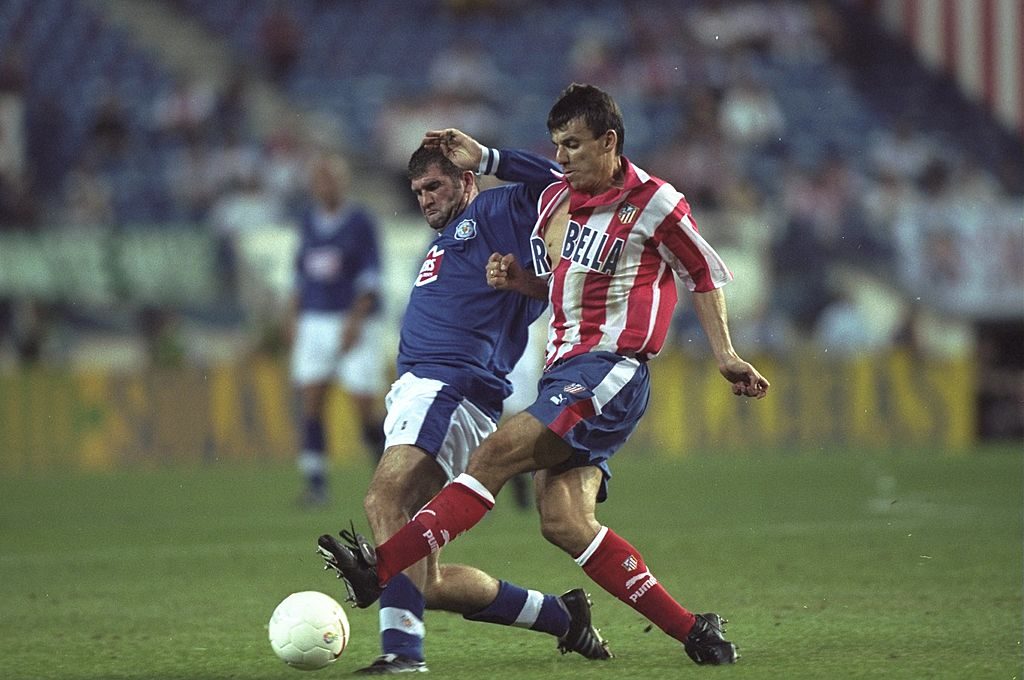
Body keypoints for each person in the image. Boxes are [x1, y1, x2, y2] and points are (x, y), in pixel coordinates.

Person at [317, 84, 770, 667]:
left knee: (484, 460)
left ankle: (386, 593)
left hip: (605, 366)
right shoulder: (560, 205)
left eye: (574, 145)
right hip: (561, 369)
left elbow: (703, 272)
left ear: (608, 142)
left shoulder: (650, 201)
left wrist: (487, 158)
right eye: (557, 146)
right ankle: (686, 630)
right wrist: (522, 283)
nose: (563, 157)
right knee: (563, 523)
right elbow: (564, 279)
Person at [320, 144, 611, 673]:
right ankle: (561, 616)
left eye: (435, 186)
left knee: (385, 499)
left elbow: (562, 182)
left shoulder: (496, 212)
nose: (426, 200)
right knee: (424, 580)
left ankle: (401, 653)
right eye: (418, 192)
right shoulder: (450, 237)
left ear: (467, 179)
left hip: (447, 385)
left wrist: (489, 154)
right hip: (430, 390)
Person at [289, 152, 386, 506]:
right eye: (319, 180)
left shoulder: (360, 221)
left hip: (352, 319)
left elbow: (372, 277)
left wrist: (355, 319)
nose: (325, 186)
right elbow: (299, 275)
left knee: (364, 405)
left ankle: (388, 478)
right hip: (315, 319)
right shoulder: (307, 221)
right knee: (312, 401)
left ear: (343, 183)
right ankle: (315, 484)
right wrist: (292, 318)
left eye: (331, 179)